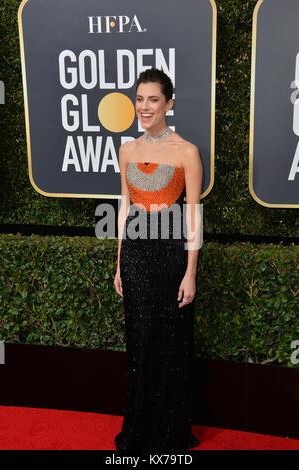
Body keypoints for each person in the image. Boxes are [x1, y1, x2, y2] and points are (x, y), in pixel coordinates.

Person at [114, 68, 203, 451]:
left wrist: (191, 272)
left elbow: (193, 215)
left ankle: (169, 433)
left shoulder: (186, 151)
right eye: (139, 99)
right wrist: (119, 264)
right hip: (135, 255)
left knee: (170, 344)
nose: (144, 107)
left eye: (152, 99)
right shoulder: (127, 149)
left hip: (170, 256)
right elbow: (124, 206)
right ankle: (139, 430)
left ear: (169, 103)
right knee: (139, 344)